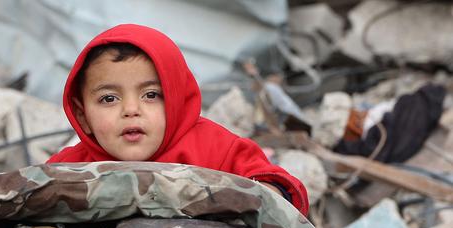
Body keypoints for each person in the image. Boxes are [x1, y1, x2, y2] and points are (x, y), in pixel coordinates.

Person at [47, 23, 309, 215]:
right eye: (109, 99)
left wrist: (264, 195)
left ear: (176, 98)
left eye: (151, 95)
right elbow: (31, 196)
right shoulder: (71, 168)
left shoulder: (214, 149)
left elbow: (279, 186)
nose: (130, 109)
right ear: (82, 117)